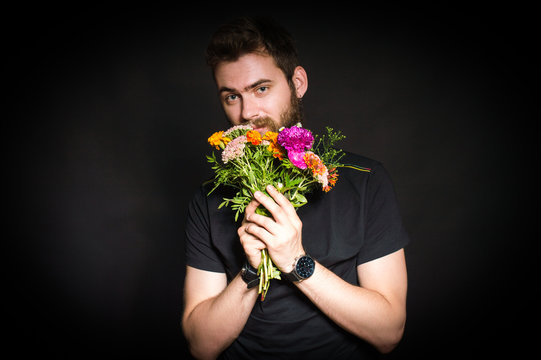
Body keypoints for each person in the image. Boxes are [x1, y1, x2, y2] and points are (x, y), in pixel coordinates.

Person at [182, 16, 409, 360]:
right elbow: (202, 346)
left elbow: (388, 332)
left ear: (297, 82)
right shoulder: (208, 199)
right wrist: (250, 271)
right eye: (232, 97)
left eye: (261, 88)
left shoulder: (366, 180)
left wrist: (296, 262)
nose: (247, 112)